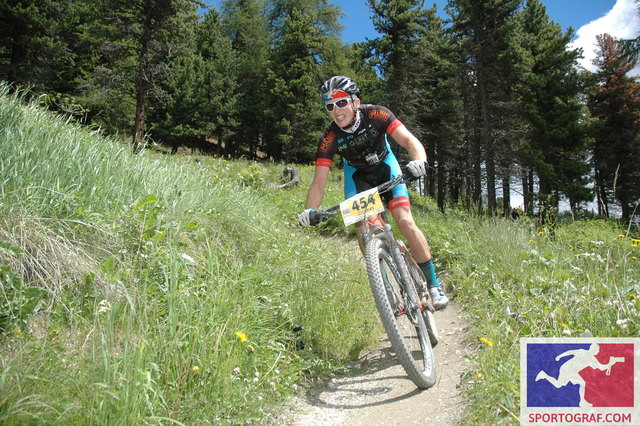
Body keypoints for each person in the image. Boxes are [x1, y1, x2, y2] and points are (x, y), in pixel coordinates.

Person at [298, 75, 449, 310]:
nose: (336, 111)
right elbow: (318, 183)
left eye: (341, 102)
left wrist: (418, 161)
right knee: (364, 230)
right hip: (359, 179)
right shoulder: (330, 138)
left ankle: (433, 285)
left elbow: (409, 140)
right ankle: (384, 287)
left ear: (355, 102)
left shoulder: (377, 114)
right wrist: (309, 210)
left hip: (386, 169)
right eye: (330, 106)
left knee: (405, 221)